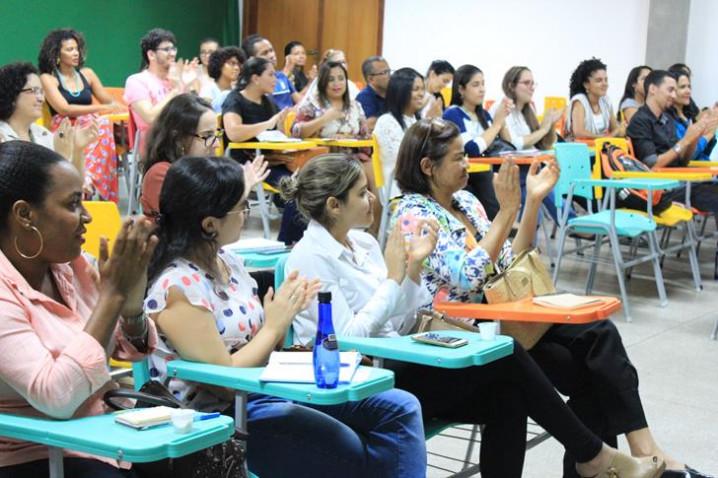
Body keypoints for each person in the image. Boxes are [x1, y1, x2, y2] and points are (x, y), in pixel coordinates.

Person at [282, 153, 665, 478]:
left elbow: (404, 315)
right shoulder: (308, 257)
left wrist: (412, 271)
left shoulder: (365, 241)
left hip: (402, 352)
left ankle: (594, 456)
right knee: (507, 354)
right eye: (362, 193)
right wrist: (395, 278)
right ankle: (594, 456)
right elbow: (344, 338)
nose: (372, 200)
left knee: (513, 389)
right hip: (364, 378)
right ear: (334, 205)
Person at [393, 118, 710, 478]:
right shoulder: (413, 214)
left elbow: (509, 260)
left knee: (598, 340)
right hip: (462, 334)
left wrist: (532, 203)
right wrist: (508, 212)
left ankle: (641, 449)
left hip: (502, 318)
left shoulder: (465, 202)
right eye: (457, 158)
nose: (468, 163)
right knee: (586, 371)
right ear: (427, 167)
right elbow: (469, 274)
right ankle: (600, 460)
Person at [143, 155, 427, 478]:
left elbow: (261, 348)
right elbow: (222, 380)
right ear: (210, 224)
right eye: (241, 207)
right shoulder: (178, 287)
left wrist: (280, 318)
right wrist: (274, 325)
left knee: (398, 408)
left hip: (268, 390)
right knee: (362, 455)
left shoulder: (229, 263)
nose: (246, 213)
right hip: (224, 416)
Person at [0, 140, 158, 478]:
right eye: (74, 204)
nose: (87, 217)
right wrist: (112, 295)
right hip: (37, 454)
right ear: (25, 215)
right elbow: (57, 396)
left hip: (104, 435)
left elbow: (124, 349)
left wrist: (129, 308)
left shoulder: (70, 265)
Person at [222, 57, 307, 244]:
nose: (275, 80)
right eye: (270, 75)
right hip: (249, 164)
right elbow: (233, 132)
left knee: (310, 186)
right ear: (255, 78)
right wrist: (267, 124)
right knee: (294, 192)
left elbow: (278, 135)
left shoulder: (268, 102)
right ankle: (286, 244)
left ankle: (300, 243)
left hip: (274, 160)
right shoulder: (235, 99)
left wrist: (284, 124)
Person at [38, 28, 121, 202]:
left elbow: (109, 103)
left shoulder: (88, 74)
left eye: (76, 49)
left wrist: (105, 109)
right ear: (57, 54)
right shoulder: (48, 78)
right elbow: (64, 109)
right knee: (100, 124)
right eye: (69, 50)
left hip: (92, 126)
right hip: (65, 127)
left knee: (102, 125)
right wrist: (97, 110)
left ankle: (89, 181)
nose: (76, 53)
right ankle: (87, 183)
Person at [489, 66, 567, 222]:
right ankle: (569, 223)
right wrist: (544, 129)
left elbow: (543, 145)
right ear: (511, 85)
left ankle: (567, 222)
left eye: (533, 83)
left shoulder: (527, 109)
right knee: (539, 190)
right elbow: (514, 144)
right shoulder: (502, 107)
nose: (532, 87)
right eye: (526, 83)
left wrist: (550, 124)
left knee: (550, 182)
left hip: (531, 167)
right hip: (511, 170)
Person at [0, 62, 97, 182]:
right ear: (12, 95)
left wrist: (78, 150)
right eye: (33, 91)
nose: (41, 98)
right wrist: (61, 158)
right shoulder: (2, 136)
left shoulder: (43, 134)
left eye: (41, 91)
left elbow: (74, 186)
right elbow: (21, 186)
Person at [443, 64, 512, 220]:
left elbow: (507, 146)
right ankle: (500, 223)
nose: (482, 89)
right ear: (461, 89)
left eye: (483, 84)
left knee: (520, 173)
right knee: (486, 174)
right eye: (475, 85)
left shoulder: (483, 115)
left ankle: (513, 222)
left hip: (489, 170)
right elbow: (471, 149)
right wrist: (496, 124)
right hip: (467, 171)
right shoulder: (453, 114)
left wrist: (502, 120)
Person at [140, 94, 222, 216]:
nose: (217, 144)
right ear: (178, 138)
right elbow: (192, 221)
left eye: (216, 134)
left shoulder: (206, 169)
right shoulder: (161, 174)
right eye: (207, 135)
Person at [124, 28, 196, 142]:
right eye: (166, 49)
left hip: (184, 142)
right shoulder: (136, 81)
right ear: (151, 54)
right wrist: (175, 91)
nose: (172, 54)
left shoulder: (178, 79)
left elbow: (194, 116)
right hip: (156, 147)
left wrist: (191, 85)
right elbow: (150, 117)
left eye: (173, 49)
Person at [373, 67, 425, 198]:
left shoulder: (418, 120)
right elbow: (403, 160)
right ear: (401, 92)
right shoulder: (386, 122)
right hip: (399, 188)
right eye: (416, 89)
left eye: (422, 89)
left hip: (421, 183)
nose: (421, 94)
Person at [565, 58, 623, 139]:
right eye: (599, 80)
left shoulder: (606, 101)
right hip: (581, 148)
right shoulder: (579, 101)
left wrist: (621, 129)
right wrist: (606, 137)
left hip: (600, 147)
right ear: (586, 84)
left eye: (606, 80)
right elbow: (579, 133)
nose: (604, 84)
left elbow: (615, 129)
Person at [668, 69, 718, 160]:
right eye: (682, 87)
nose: (688, 91)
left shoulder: (688, 116)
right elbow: (685, 158)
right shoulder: (669, 120)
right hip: (689, 172)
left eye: (689, 87)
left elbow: (705, 152)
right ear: (671, 90)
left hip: (705, 168)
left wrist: (710, 128)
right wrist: (707, 136)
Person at [242, 34, 300, 109]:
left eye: (271, 50)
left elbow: (300, 102)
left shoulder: (281, 76)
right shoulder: (251, 84)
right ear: (252, 60)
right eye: (265, 53)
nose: (272, 55)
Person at [201, 46, 245, 113]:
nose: (237, 68)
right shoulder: (208, 89)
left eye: (239, 64)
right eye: (232, 63)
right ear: (220, 64)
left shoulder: (239, 90)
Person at [356, 56, 391, 131]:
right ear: (371, 79)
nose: (389, 76)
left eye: (389, 71)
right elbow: (369, 124)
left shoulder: (393, 93)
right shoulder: (363, 97)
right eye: (384, 72)